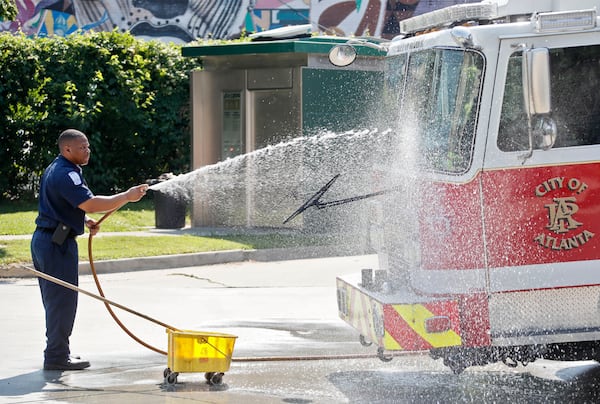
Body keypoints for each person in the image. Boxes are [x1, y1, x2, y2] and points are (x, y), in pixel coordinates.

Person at [31, 129, 149, 371]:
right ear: (67, 150)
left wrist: (82, 221)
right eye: (82, 147)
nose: (88, 150)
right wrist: (126, 196)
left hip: (50, 239)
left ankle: (57, 352)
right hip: (56, 245)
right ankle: (55, 356)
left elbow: (62, 204)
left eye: (87, 146)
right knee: (61, 301)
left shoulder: (58, 167)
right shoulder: (66, 174)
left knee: (57, 300)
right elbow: (92, 204)